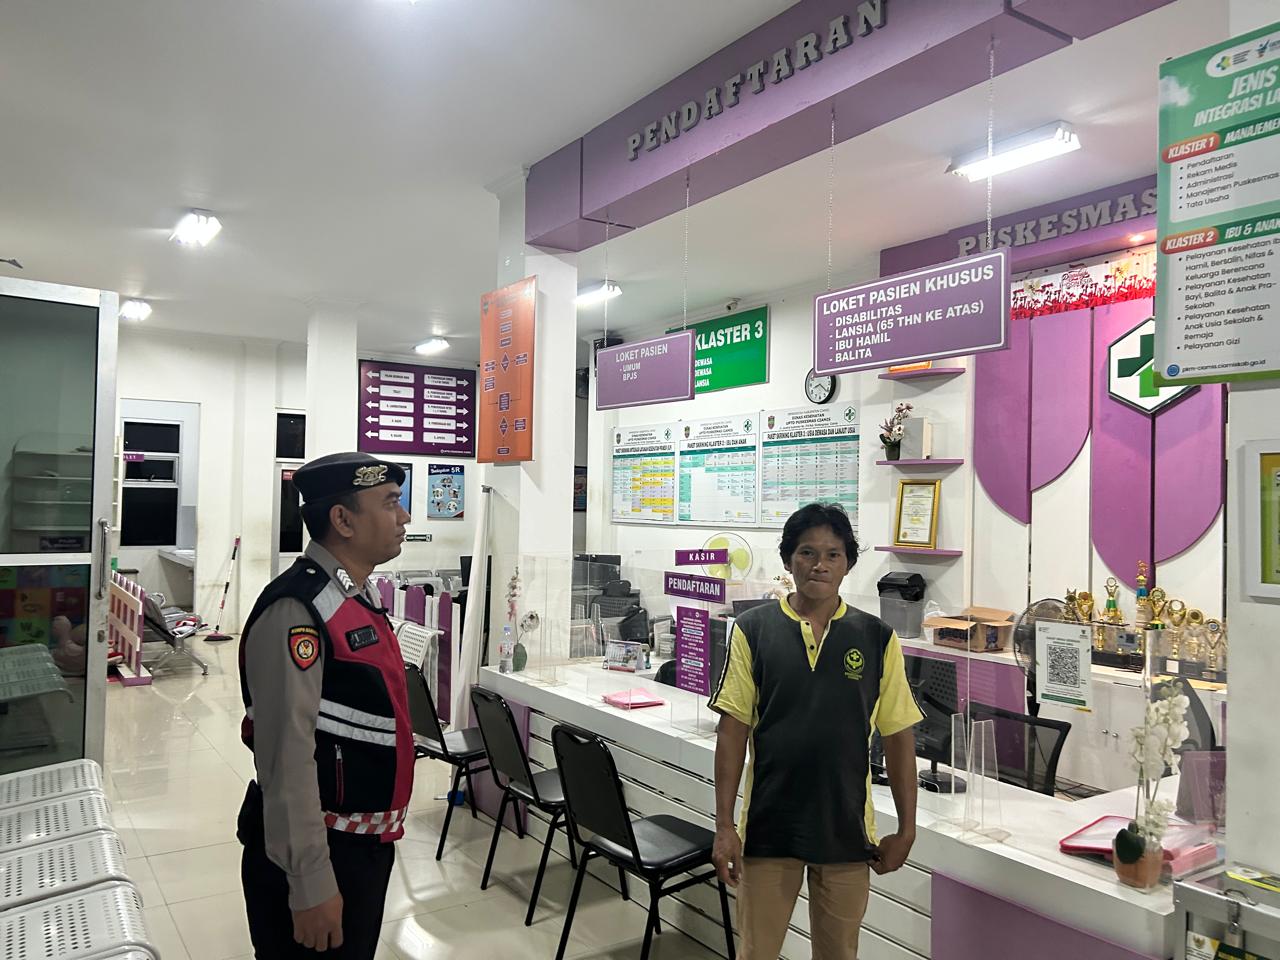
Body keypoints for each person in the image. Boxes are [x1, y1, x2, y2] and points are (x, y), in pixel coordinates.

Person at [708, 502, 923, 959]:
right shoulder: (753, 629)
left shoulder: (877, 638)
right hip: (768, 828)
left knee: (839, 953)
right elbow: (732, 731)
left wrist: (906, 830)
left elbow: (899, 736)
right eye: (807, 552)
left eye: (833, 554)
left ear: (848, 564)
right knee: (757, 953)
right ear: (789, 560)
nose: (819, 565)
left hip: (845, 829)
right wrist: (724, 826)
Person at [237, 452, 415, 958]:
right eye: (390, 503)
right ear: (343, 520)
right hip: (321, 852)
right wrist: (310, 882)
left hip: (360, 846)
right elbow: (286, 758)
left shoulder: (354, 597)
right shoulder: (299, 609)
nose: (404, 517)